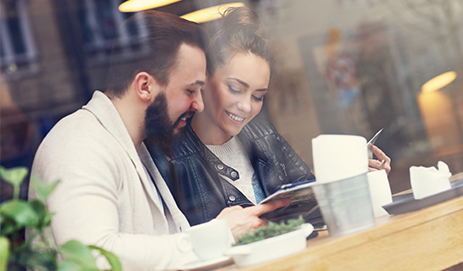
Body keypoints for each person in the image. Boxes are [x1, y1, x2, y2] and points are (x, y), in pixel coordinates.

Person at [28, 10, 289, 271]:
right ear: (144, 86)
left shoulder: (136, 144)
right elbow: (93, 259)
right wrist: (219, 234)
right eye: (190, 90)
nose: (198, 105)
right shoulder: (79, 145)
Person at [147, 6, 391, 227]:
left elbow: (317, 212)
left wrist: (356, 180)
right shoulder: (165, 157)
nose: (245, 106)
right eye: (235, 88)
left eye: (258, 96)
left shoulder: (265, 136)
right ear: (205, 79)